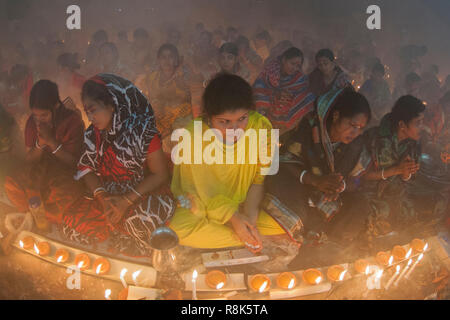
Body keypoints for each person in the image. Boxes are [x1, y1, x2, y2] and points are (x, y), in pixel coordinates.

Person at [169, 73, 286, 251]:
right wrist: (234, 218)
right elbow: (196, 195)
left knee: (286, 219)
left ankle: (242, 236)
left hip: (245, 203)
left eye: (242, 119)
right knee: (177, 228)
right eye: (224, 122)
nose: (235, 129)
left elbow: (257, 181)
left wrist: (249, 220)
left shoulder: (260, 127)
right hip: (204, 208)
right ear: (209, 117)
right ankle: (253, 240)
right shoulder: (194, 135)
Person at [61, 74, 175, 256]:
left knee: (141, 220)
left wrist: (126, 201)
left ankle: (127, 233)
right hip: (110, 195)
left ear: (112, 105)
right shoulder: (93, 135)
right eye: (87, 112)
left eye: (94, 110)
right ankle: (118, 229)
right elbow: (86, 169)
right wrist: (103, 198)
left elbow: (160, 175)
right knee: (72, 225)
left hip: (141, 193)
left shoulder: (142, 132)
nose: (90, 118)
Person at [264, 89, 373, 244]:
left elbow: (357, 179)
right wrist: (315, 181)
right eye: (353, 125)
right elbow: (285, 159)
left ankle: (332, 245)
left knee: (359, 204)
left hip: (328, 196)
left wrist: (339, 186)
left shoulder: (356, 145)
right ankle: (303, 236)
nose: (355, 132)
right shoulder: (310, 128)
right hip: (299, 184)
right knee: (286, 195)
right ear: (336, 116)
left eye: (361, 128)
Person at [4, 80, 85, 225]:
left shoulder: (72, 121)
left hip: (65, 174)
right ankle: (35, 212)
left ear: (56, 106)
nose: (39, 120)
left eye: (44, 115)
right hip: (40, 171)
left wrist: (52, 143)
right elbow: (30, 160)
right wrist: (40, 144)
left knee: (67, 198)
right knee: (11, 184)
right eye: (36, 116)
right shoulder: (32, 122)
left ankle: (39, 213)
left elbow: (75, 164)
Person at [361, 96, 440, 232]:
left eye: (422, 122)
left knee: (433, 205)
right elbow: (361, 176)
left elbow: (408, 179)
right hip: (369, 194)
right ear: (402, 125)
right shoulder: (373, 138)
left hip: (397, 193)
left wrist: (406, 174)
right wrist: (396, 170)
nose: (422, 127)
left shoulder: (413, 143)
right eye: (418, 123)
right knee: (373, 218)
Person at [137, 44, 192, 150]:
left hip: (180, 122)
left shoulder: (184, 77)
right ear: (158, 60)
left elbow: (188, 102)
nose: (167, 60)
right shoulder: (151, 77)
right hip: (159, 120)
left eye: (170, 56)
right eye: (163, 57)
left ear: (176, 59)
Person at [253, 47, 315, 135]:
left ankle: (282, 131)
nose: (294, 68)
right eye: (292, 63)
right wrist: (277, 93)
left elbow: (302, 93)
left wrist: (288, 95)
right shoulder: (270, 71)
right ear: (283, 60)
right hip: (268, 108)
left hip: (286, 113)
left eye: (297, 66)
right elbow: (260, 88)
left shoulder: (299, 78)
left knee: (308, 97)